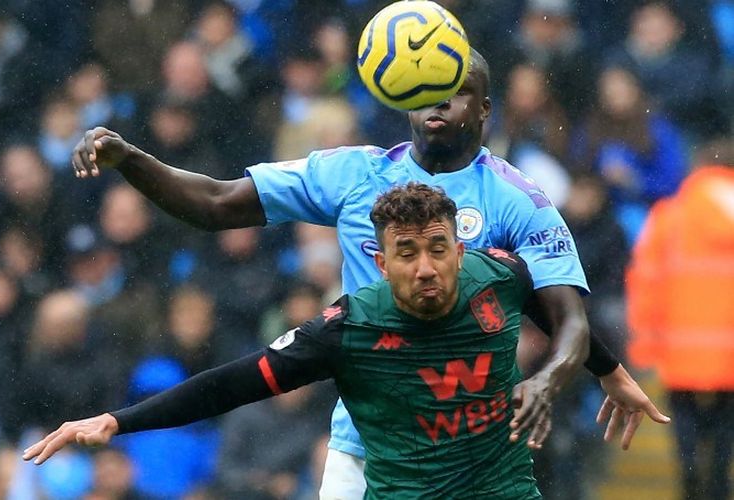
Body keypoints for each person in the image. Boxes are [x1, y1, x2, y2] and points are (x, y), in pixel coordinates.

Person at [65, 48, 668, 498]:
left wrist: (590, 371)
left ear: (485, 107)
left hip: (479, 457)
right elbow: (218, 204)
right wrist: (132, 160)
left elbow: (563, 314)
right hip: (371, 445)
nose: (437, 103)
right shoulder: (352, 178)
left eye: (456, 92)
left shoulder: (518, 202)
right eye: (426, 88)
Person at [24, 183, 589, 498]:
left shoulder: (501, 277)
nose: (426, 267)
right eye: (407, 253)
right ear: (381, 262)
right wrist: (119, 421)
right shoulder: (346, 329)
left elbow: (572, 322)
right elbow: (230, 385)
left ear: (460, 252)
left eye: (438, 249)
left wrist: (591, 375)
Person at [625, 141, 734, 500]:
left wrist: (645, 347)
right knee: (725, 429)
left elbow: (646, 283)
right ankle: (718, 486)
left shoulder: (670, 216)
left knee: (682, 424)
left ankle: (691, 487)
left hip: (679, 349)